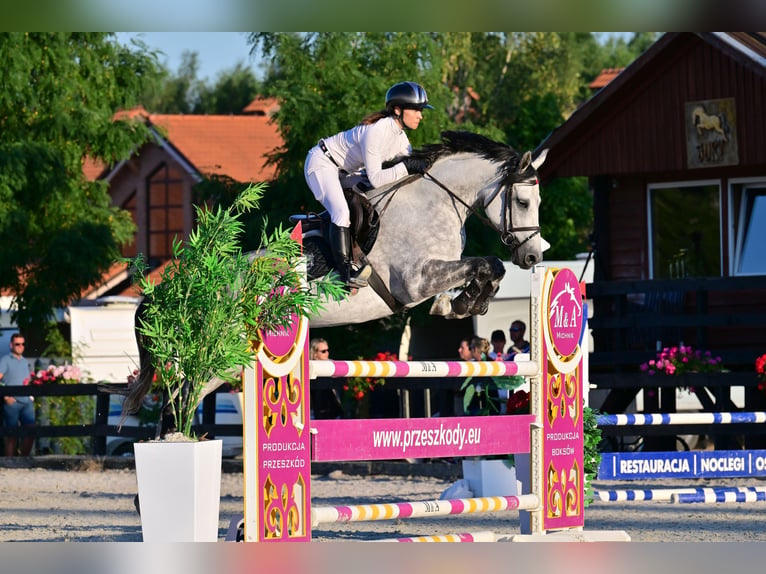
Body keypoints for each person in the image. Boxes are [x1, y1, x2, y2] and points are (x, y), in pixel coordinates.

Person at [304, 81, 434, 289]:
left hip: (346, 172)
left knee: (373, 201)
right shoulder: (376, 131)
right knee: (341, 213)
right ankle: (345, 273)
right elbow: (376, 178)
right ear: (398, 110)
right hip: (321, 164)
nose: (421, 115)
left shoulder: (400, 137)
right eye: (417, 110)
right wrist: (407, 167)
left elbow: (403, 171)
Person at [0, 333, 34, 456]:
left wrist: (31, 395)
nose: (20, 346)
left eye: (22, 344)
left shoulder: (25, 361)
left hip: (26, 401)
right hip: (12, 403)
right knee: (12, 435)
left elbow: (27, 380)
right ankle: (10, 461)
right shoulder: (5, 360)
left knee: (31, 430)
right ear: (11, 345)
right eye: (17, 344)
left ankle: (23, 458)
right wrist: (6, 397)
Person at [309, 337, 343, 419]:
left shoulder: (332, 365)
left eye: (327, 350)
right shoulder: (309, 368)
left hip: (333, 410)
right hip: (316, 410)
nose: (327, 353)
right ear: (315, 353)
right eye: (323, 351)